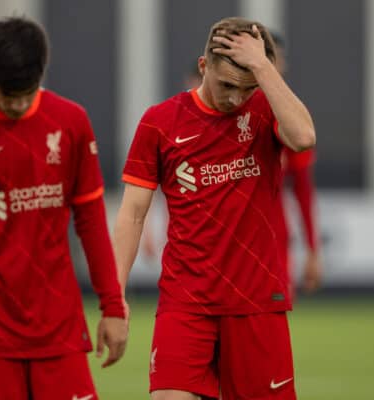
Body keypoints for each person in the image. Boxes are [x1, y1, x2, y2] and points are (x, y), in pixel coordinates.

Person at [0, 17, 128, 400]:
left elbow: (92, 222)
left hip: (60, 329)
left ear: (42, 73)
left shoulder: (71, 122)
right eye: (8, 94)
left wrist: (113, 307)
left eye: (27, 92)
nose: (18, 104)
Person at [113, 17, 315, 400]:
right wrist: (115, 291)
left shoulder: (266, 110)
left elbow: (304, 138)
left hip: (256, 303)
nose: (236, 98)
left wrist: (263, 68)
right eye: (226, 86)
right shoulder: (159, 122)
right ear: (203, 67)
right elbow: (133, 213)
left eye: (246, 88)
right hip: (185, 301)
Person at [271, 31, 322, 296]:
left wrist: (313, 249)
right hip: (222, 243)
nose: (281, 66)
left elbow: (303, 187)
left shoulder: (288, 117)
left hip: (273, 240)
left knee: (271, 325)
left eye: (279, 59)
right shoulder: (221, 112)